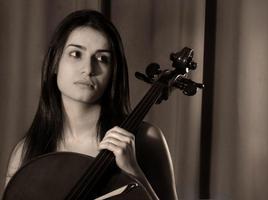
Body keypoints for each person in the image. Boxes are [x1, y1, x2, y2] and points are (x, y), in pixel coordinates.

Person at [5, 9, 178, 199]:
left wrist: (133, 172)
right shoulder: (26, 150)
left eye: (102, 59)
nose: (88, 69)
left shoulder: (147, 140)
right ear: (55, 63)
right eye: (75, 54)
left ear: (113, 72)